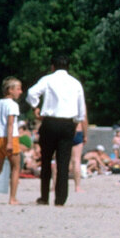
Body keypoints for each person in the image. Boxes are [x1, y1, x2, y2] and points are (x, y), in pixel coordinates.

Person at [26, 54, 87, 207]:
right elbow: (82, 109)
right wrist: (77, 121)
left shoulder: (47, 79)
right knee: (63, 162)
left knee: (46, 160)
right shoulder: (75, 83)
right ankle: (60, 199)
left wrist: (35, 107)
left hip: (50, 122)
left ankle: (44, 197)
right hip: (68, 123)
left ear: (52, 67)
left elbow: (31, 93)